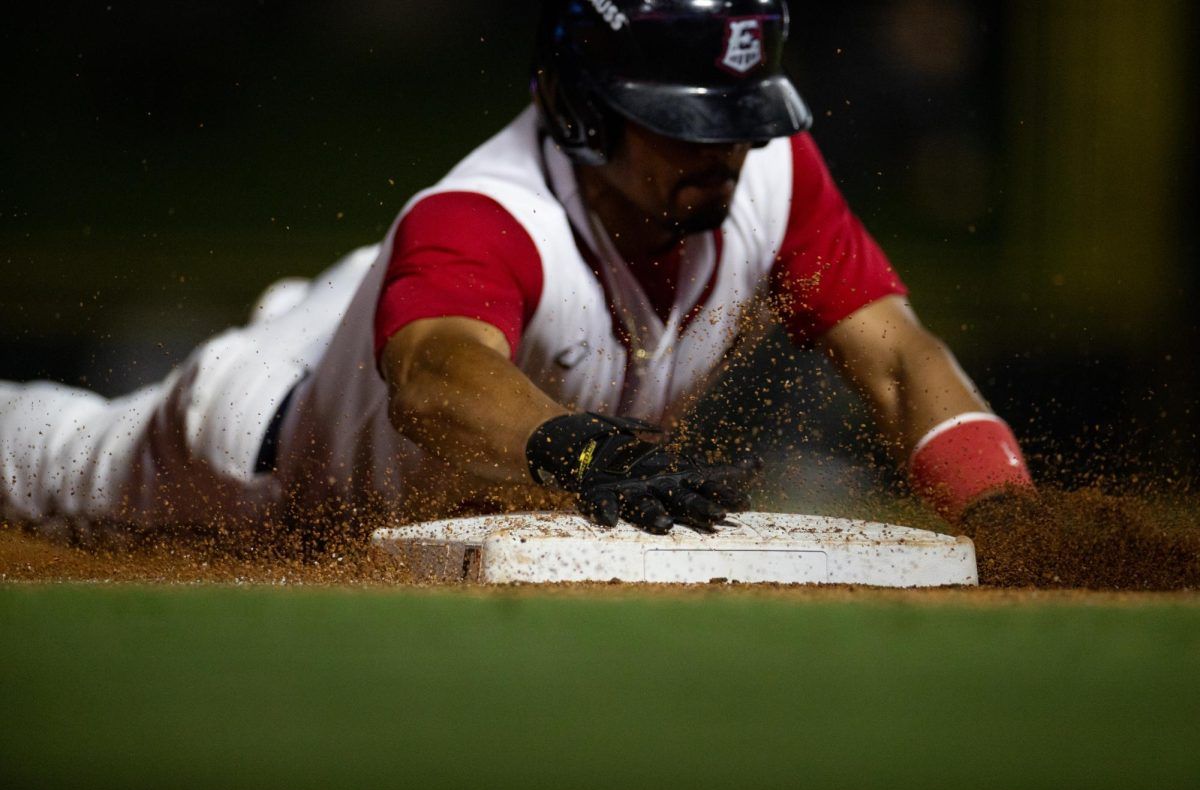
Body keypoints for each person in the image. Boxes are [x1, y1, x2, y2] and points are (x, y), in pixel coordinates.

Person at [0, 0, 1031, 539]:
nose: (722, 150)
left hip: (406, 316)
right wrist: (583, 451)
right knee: (61, 461)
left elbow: (897, 356)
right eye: (683, 124)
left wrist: (1003, 508)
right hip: (273, 448)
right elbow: (436, 373)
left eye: (738, 118)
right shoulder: (488, 215)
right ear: (581, 107)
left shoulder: (766, 175)